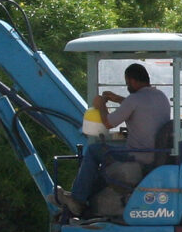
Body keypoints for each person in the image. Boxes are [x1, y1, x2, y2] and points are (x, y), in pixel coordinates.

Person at [64, 64, 171, 216]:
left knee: (94, 151)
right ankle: (89, 198)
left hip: (137, 154)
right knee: (105, 162)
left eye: (127, 83)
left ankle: (78, 199)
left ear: (133, 81)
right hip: (155, 154)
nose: (127, 86)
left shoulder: (133, 99)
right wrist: (118, 99)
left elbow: (108, 123)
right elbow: (140, 106)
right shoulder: (161, 96)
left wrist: (101, 105)